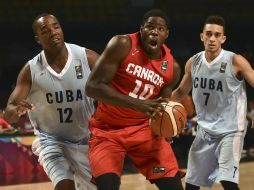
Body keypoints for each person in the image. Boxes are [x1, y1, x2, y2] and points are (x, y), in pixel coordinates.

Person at [85, 9, 184, 190]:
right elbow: (92, 87)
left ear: (166, 34)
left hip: (144, 132)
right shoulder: (122, 44)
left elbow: (161, 108)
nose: (155, 31)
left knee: (174, 186)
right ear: (141, 29)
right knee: (107, 186)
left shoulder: (172, 68)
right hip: (107, 131)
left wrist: (167, 127)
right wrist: (138, 104)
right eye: (150, 27)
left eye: (161, 29)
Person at [3, 13, 99, 190]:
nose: (53, 32)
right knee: (64, 185)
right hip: (52, 141)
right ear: (37, 39)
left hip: (87, 141)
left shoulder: (87, 57)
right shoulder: (30, 70)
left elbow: (115, 86)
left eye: (56, 26)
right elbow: (9, 114)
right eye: (45, 30)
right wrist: (15, 109)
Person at [171, 15, 254, 190]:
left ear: (223, 39)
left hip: (231, 131)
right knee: (191, 185)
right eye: (209, 34)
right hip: (204, 131)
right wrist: (161, 106)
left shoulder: (235, 61)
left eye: (217, 35)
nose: (212, 39)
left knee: (228, 181)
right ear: (202, 36)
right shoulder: (193, 62)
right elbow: (179, 92)